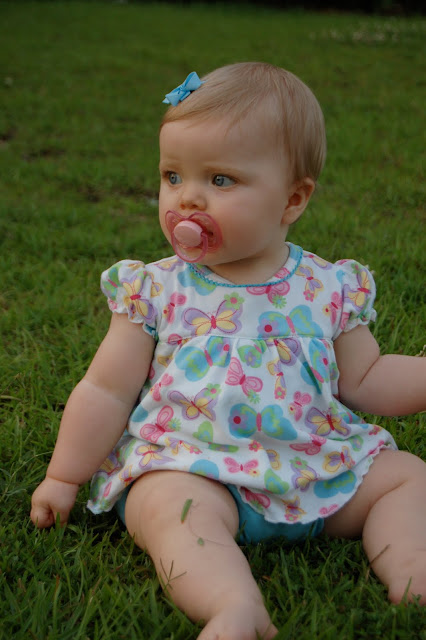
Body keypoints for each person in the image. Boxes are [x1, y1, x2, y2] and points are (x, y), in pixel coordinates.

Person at [31, 63, 426, 639]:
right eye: (172, 176)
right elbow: (106, 390)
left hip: (314, 465)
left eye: (220, 180)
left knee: (405, 476)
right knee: (168, 508)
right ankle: (232, 605)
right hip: (196, 465)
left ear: (293, 199)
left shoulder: (328, 287)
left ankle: (411, 567)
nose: (187, 197)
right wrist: (65, 476)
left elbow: (367, 378)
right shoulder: (156, 288)